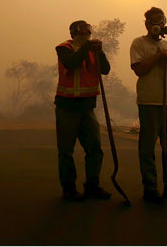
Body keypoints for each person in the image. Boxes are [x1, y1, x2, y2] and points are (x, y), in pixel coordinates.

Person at [130, 7, 167, 203]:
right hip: (149, 101)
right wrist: (158, 56)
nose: (158, 25)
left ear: (164, 24)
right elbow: (139, 70)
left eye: (161, 21)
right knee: (148, 148)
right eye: (154, 21)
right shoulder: (139, 43)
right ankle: (150, 188)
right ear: (147, 24)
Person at [54, 20, 112, 201]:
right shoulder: (64, 48)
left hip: (87, 107)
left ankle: (92, 186)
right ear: (73, 34)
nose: (86, 35)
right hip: (67, 107)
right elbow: (71, 63)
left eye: (88, 32)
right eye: (82, 32)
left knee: (94, 149)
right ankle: (69, 189)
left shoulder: (93, 50)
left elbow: (106, 70)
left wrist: (100, 52)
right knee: (66, 151)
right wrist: (86, 48)